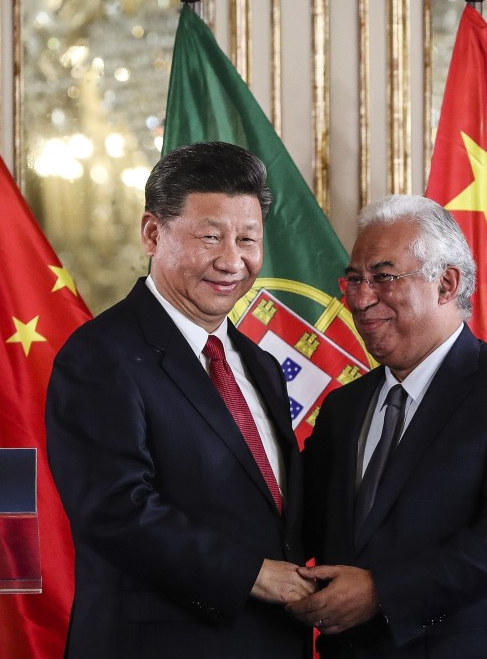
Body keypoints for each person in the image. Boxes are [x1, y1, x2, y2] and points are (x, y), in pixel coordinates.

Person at [46, 141, 315, 658]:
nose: (232, 261)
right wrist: (254, 575)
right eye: (210, 237)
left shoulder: (259, 364)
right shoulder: (101, 355)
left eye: (248, 239)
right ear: (153, 233)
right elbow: (115, 510)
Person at [289, 195, 487, 658]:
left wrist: (381, 591)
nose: (360, 299)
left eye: (383, 277)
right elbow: (302, 522)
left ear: (446, 284)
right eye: (354, 280)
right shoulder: (345, 407)